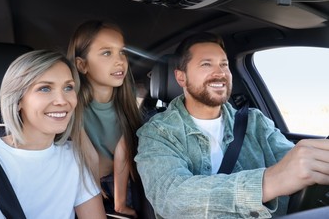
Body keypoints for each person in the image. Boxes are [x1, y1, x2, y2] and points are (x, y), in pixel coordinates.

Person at [135, 32, 329, 218]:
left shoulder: (254, 122)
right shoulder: (158, 133)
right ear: (181, 77)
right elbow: (171, 197)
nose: (219, 73)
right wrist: (268, 182)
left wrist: (315, 163)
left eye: (224, 64)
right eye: (206, 64)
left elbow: (291, 161)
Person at [0, 50, 106, 219]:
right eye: (45, 88)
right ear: (18, 100)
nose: (62, 100)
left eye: (68, 87)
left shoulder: (75, 157)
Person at [67, 20, 142, 218]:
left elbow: (123, 152)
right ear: (82, 65)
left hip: (123, 182)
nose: (120, 61)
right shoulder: (73, 105)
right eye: (107, 53)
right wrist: (95, 195)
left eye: (122, 52)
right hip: (86, 182)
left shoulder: (126, 104)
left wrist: (120, 203)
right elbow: (87, 155)